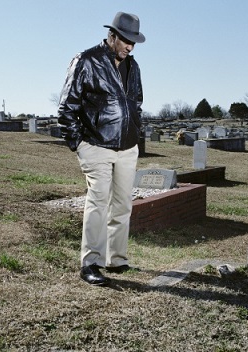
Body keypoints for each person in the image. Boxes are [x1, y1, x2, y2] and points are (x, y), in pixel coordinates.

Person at [57, 12, 146, 286]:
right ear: (112, 35)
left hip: (127, 147)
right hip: (95, 145)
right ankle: (91, 263)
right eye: (125, 40)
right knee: (98, 202)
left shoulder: (134, 67)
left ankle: (117, 260)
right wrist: (79, 144)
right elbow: (67, 106)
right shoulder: (86, 60)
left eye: (134, 42)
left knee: (122, 205)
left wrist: (136, 133)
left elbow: (136, 104)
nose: (129, 46)